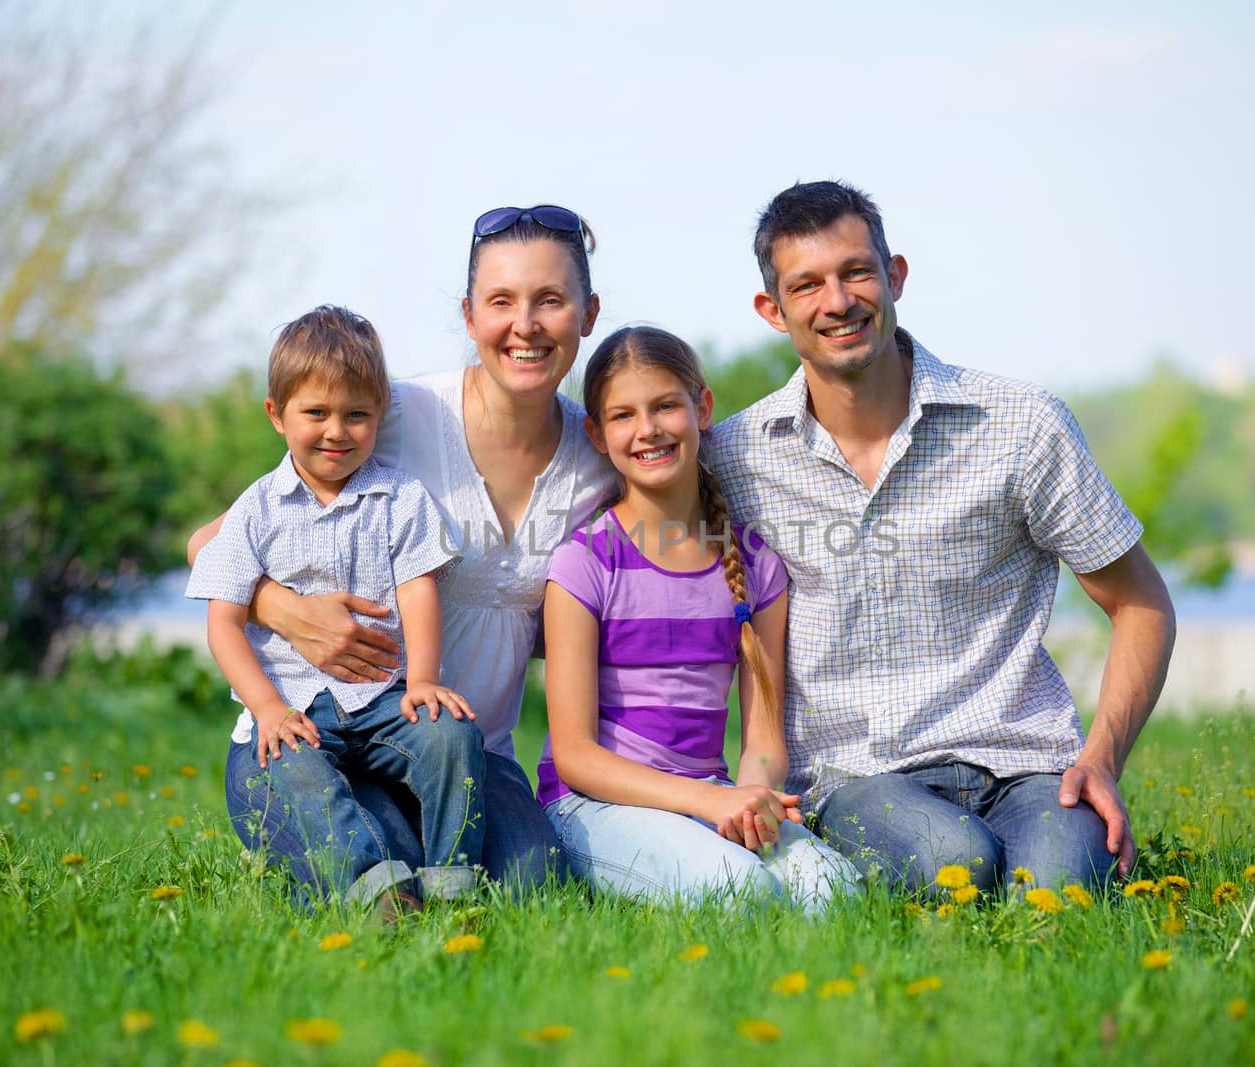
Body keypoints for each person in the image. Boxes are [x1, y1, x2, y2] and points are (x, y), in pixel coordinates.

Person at [706, 181, 1177, 893]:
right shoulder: (737, 458)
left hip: (1028, 763)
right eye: (807, 285)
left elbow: (1141, 603)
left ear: (894, 275)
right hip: (855, 781)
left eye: (856, 272)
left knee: (1060, 888)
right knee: (949, 862)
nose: (837, 301)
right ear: (773, 310)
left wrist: (1101, 759)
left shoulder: (1021, 426)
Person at [190, 205, 616, 895]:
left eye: (551, 301)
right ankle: (347, 854)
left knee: (532, 884)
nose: (526, 325)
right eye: (502, 301)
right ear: (470, 314)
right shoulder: (394, 415)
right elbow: (207, 543)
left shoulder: (601, 458)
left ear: (587, 312)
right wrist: (293, 613)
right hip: (328, 728)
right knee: (383, 861)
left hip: (462, 748)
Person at [539, 325, 860, 912]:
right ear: (597, 434)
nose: (648, 429)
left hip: (708, 794)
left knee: (832, 892)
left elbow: (763, 739)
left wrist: (752, 800)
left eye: (665, 405)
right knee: (740, 892)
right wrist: (704, 804)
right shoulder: (584, 562)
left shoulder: (755, 565)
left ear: (702, 408)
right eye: (623, 415)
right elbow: (575, 755)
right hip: (593, 804)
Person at [187, 305, 484, 906]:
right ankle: (373, 889)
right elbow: (223, 623)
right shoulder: (257, 508)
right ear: (277, 415)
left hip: (381, 698)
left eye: (357, 415)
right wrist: (266, 707)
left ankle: (455, 887)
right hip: (292, 704)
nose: (336, 431)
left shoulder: (400, 497)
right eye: (315, 413)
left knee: (452, 736)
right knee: (295, 776)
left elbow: (417, 589)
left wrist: (423, 681)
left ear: (379, 416)